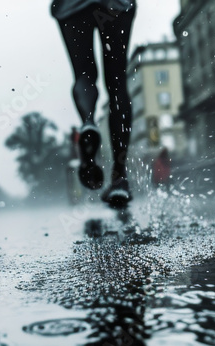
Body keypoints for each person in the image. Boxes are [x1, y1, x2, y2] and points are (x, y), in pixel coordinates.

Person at [52, 0, 136, 209]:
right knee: (117, 84)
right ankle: (119, 177)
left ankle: (88, 121)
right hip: (116, 4)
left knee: (83, 75)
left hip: (71, 6)